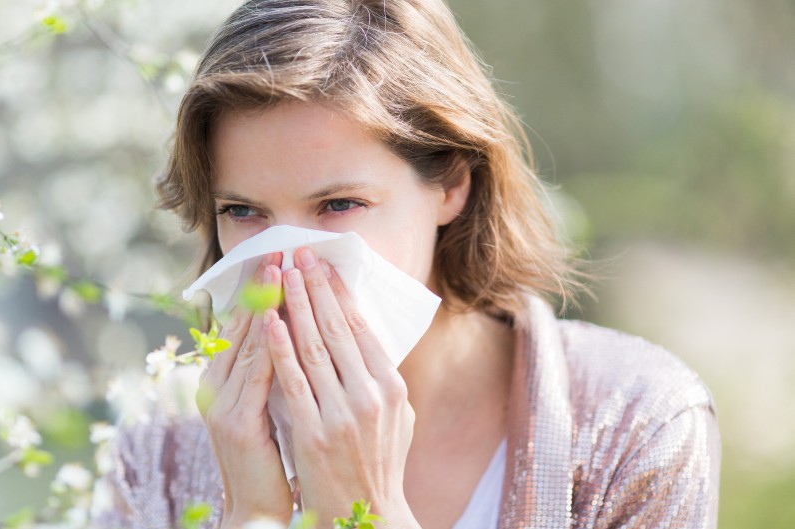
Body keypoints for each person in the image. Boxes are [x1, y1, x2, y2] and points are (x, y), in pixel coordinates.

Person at [92, 1, 721, 528]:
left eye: (339, 204)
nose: (284, 261)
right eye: (244, 212)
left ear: (451, 183)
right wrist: (253, 513)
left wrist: (370, 512)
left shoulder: (636, 424)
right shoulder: (160, 450)